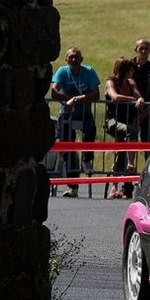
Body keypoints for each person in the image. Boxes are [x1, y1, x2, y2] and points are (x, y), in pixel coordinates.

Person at [50, 46, 101, 198]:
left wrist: (79, 99)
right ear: (66, 60)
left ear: (81, 59)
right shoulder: (62, 71)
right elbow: (54, 91)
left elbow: (96, 94)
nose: (74, 60)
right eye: (71, 57)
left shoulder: (89, 71)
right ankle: (73, 186)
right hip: (66, 114)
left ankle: (87, 158)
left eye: (77, 57)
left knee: (90, 131)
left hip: (84, 114)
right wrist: (68, 100)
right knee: (67, 150)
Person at [104, 57, 144, 200]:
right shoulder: (111, 82)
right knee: (132, 131)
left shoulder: (131, 82)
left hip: (127, 122)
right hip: (112, 122)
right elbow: (114, 97)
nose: (133, 71)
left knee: (119, 154)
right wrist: (133, 99)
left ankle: (114, 188)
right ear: (124, 70)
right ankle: (131, 161)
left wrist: (139, 98)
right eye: (131, 69)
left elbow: (139, 96)